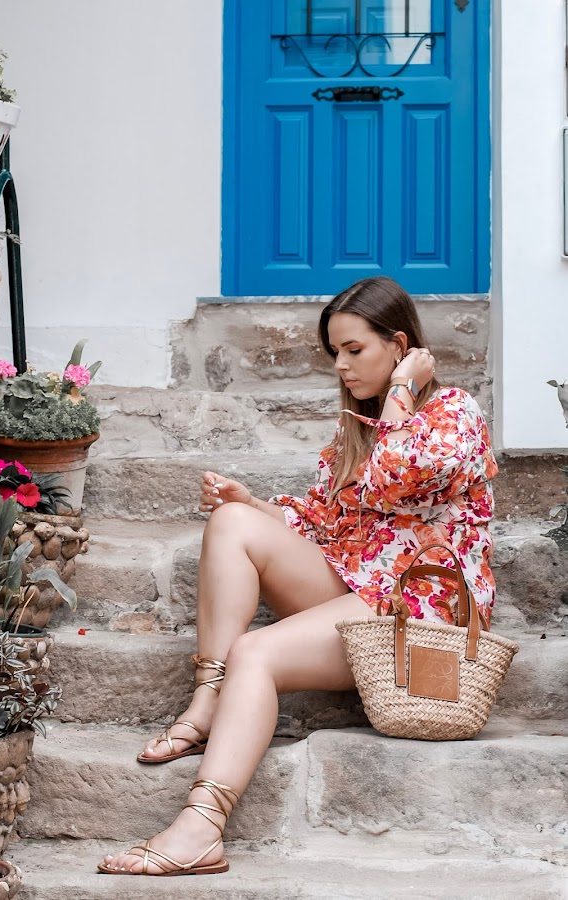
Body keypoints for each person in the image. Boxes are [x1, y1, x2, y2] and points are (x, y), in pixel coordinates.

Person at [98, 275, 498, 878]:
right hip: (359, 586)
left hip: (417, 613)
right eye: (333, 352)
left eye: (354, 350)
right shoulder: (356, 426)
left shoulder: (453, 414)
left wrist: (399, 393)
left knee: (255, 652)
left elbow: (398, 478)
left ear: (399, 344)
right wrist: (252, 502)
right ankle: (209, 696)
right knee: (232, 522)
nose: (340, 365)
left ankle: (200, 828)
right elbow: (327, 518)